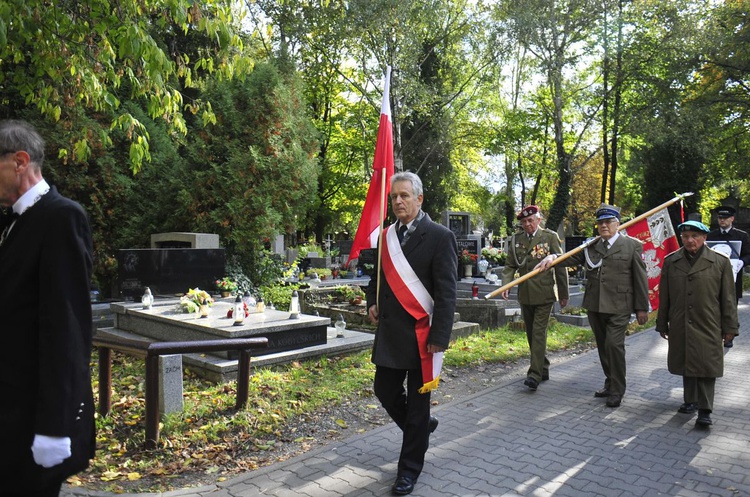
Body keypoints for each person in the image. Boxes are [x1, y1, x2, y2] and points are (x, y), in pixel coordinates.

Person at [0, 120, 95, 496]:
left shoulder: (61, 217)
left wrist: (54, 427)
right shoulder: (13, 222)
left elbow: (66, 330)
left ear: (19, 161)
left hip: (32, 419)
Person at [366, 171, 457, 496]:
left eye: (404, 195)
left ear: (419, 199)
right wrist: (372, 302)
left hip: (423, 338)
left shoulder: (440, 236)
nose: (398, 201)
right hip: (391, 336)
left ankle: (408, 472)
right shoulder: (386, 237)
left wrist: (439, 337)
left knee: (419, 408)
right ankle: (420, 430)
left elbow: (447, 293)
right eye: (394, 197)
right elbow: (376, 279)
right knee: (384, 390)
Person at [538, 203, 649, 408]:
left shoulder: (632, 245)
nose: (604, 226)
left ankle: (617, 389)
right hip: (596, 304)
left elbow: (640, 278)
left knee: (614, 346)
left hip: (620, 306)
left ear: (618, 224)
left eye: (608, 222)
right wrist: (553, 257)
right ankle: (610, 381)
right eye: (600, 223)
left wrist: (642, 308)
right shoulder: (591, 246)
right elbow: (569, 259)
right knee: (603, 347)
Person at [656, 220, 738, 427]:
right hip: (680, 320)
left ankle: (705, 409)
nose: (690, 240)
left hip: (709, 322)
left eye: (695, 236)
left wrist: (730, 327)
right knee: (686, 360)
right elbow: (664, 296)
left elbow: (728, 298)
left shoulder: (720, 262)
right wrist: (662, 323)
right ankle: (690, 400)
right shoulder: (671, 261)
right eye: (685, 237)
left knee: (707, 365)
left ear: (704, 238)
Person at [501, 205, 569, 391]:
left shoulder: (549, 237)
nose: (527, 224)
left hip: (544, 294)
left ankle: (534, 375)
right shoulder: (516, 240)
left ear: (539, 220)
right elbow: (510, 265)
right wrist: (506, 285)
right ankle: (543, 366)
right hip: (526, 294)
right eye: (524, 222)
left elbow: (561, 265)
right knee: (531, 334)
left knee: (538, 333)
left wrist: (563, 293)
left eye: (531, 220)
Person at [706, 205, 750, 347]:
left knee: (730, 306)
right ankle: (715, 335)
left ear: (732, 219)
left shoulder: (741, 235)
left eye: (725, 218)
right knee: (713, 306)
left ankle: (729, 335)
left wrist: (741, 262)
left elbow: (748, 254)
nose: (722, 220)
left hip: (733, 277)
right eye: (720, 218)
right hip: (713, 277)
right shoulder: (711, 235)